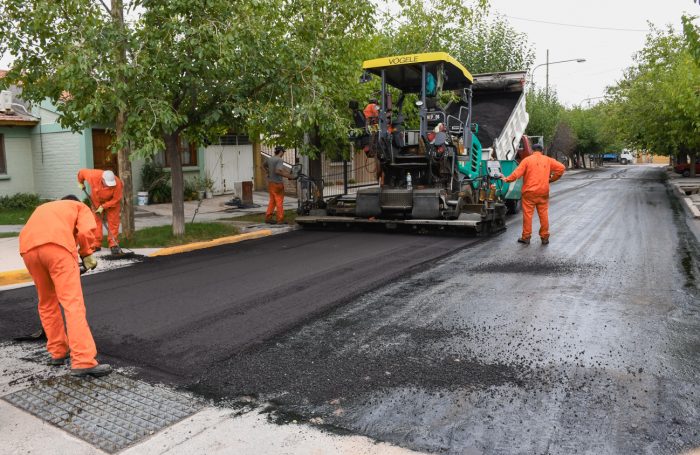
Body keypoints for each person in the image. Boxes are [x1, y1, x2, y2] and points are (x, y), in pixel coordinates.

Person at [19, 195, 112, 377]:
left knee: (46, 303)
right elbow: (85, 232)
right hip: (57, 248)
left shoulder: (45, 207)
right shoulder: (79, 207)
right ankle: (83, 361)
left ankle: (58, 352)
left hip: (28, 250)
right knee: (72, 304)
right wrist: (86, 254)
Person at [500, 144, 566, 245]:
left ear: (532, 150)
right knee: (543, 214)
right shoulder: (548, 160)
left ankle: (526, 237)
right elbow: (561, 168)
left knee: (528, 215)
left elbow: (517, 173)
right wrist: (552, 179)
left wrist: (506, 179)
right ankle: (545, 237)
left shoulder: (527, 160)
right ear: (542, 151)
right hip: (543, 192)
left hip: (529, 193)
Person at [77, 169, 123, 254]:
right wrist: (81, 183)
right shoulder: (93, 176)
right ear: (102, 180)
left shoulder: (118, 183)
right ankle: (96, 243)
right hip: (96, 201)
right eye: (108, 184)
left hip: (112, 203)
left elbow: (116, 199)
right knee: (96, 221)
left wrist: (104, 206)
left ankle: (113, 244)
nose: (110, 186)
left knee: (113, 222)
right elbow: (81, 173)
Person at [264, 146, 295, 224]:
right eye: (283, 152)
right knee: (279, 202)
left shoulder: (270, 159)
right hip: (277, 183)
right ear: (280, 151)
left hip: (271, 183)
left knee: (272, 201)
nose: (283, 154)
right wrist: (289, 176)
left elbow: (263, 165)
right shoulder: (279, 160)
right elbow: (278, 171)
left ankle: (268, 218)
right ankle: (280, 220)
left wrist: (268, 172)